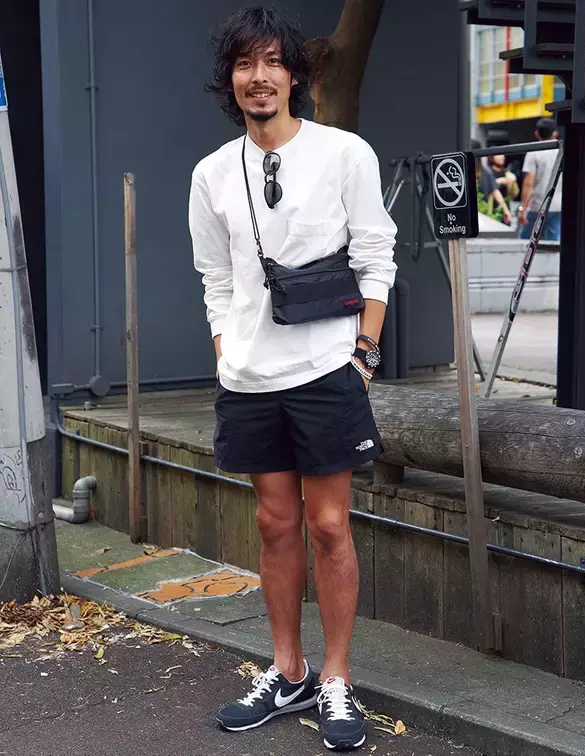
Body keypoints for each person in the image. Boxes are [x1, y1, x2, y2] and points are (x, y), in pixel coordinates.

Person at [188, 7, 397, 751]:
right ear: (231, 81)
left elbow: (376, 257)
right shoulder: (212, 173)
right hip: (249, 377)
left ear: (294, 75)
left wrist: (363, 355)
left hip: (327, 370)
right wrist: (226, 352)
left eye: (273, 62)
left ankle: (337, 679)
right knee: (274, 525)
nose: (259, 77)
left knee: (329, 525)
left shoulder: (344, 153)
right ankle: (288, 670)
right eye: (245, 64)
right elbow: (215, 278)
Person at [518, 117, 562, 241]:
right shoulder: (562, 150)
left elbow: (529, 182)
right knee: (553, 243)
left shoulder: (534, 152)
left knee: (526, 241)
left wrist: (522, 208)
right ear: (555, 133)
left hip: (537, 206)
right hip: (558, 205)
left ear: (537, 133)